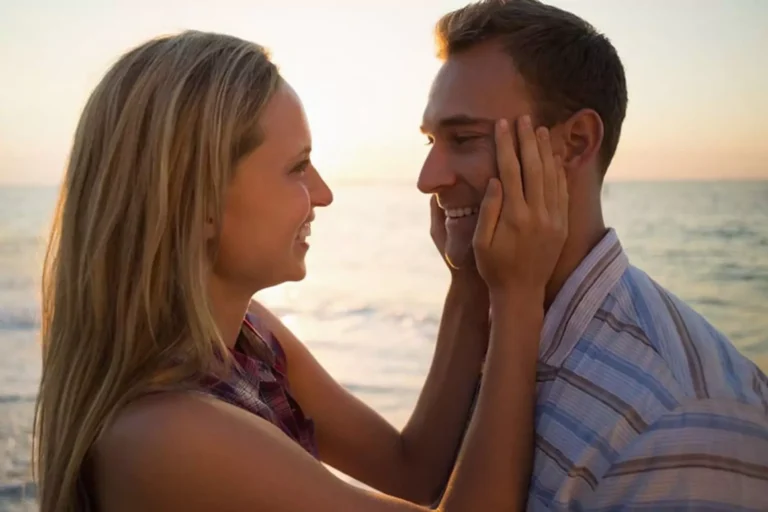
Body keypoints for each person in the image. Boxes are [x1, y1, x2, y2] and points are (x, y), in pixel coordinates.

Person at [33, 30, 569, 511]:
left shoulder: (246, 339)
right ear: (196, 200)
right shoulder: (166, 433)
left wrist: (470, 277)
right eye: (297, 167)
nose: (323, 193)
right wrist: (517, 294)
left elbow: (413, 470)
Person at [418, 0, 768, 510]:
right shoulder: (505, 329)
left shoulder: (674, 421)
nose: (428, 177)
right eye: (429, 141)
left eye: (464, 139)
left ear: (576, 143)